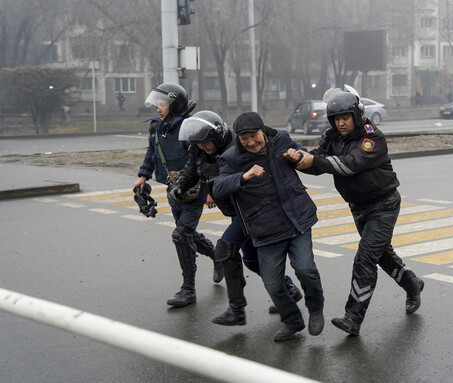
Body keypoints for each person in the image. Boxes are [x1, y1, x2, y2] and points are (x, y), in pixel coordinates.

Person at [288, 87, 424, 337]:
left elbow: (349, 165)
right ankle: (412, 283)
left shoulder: (372, 138)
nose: (340, 123)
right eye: (336, 118)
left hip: (384, 204)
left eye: (345, 117)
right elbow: (318, 161)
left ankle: (353, 317)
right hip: (359, 207)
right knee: (381, 255)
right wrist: (297, 159)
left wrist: (313, 160)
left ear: (357, 115)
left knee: (365, 258)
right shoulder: (333, 137)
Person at [169, 110, 303, 326]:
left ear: (218, 135)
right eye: (198, 143)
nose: (202, 147)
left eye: (205, 142)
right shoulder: (198, 149)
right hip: (236, 211)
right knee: (251, 260)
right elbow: (191, 170)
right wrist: (179, 186)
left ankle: (237, 309)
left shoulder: (237, 148)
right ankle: (288, 289)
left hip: (253, 210)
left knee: (225, 249)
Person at [212, 111, 325, 342]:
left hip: (297, 218)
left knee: (305, 269)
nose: (251, 142)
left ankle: (315, 310)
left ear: (262, 130)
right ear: (238, 139)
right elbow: (219, 187)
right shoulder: (231, 158)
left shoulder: (281, 139)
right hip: (265, 227)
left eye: (254, 136)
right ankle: (293, 321)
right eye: (245, 139)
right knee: (273, 283)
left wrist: (299, 155)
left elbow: (306, 157)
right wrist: (244, 176)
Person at [134, 83, 222, 308]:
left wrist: (211, 190)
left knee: (182, 235)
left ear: (175, 105)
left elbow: (205, 159)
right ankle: (217, 256)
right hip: (174, 189)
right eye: (157, 104)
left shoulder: (189, 128)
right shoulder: (156, 126)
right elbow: (152, 152)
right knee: (187, 234)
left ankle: (188, 290)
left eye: (162, 104)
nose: (158, 109)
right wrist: (143, 176)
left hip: (196, 189)